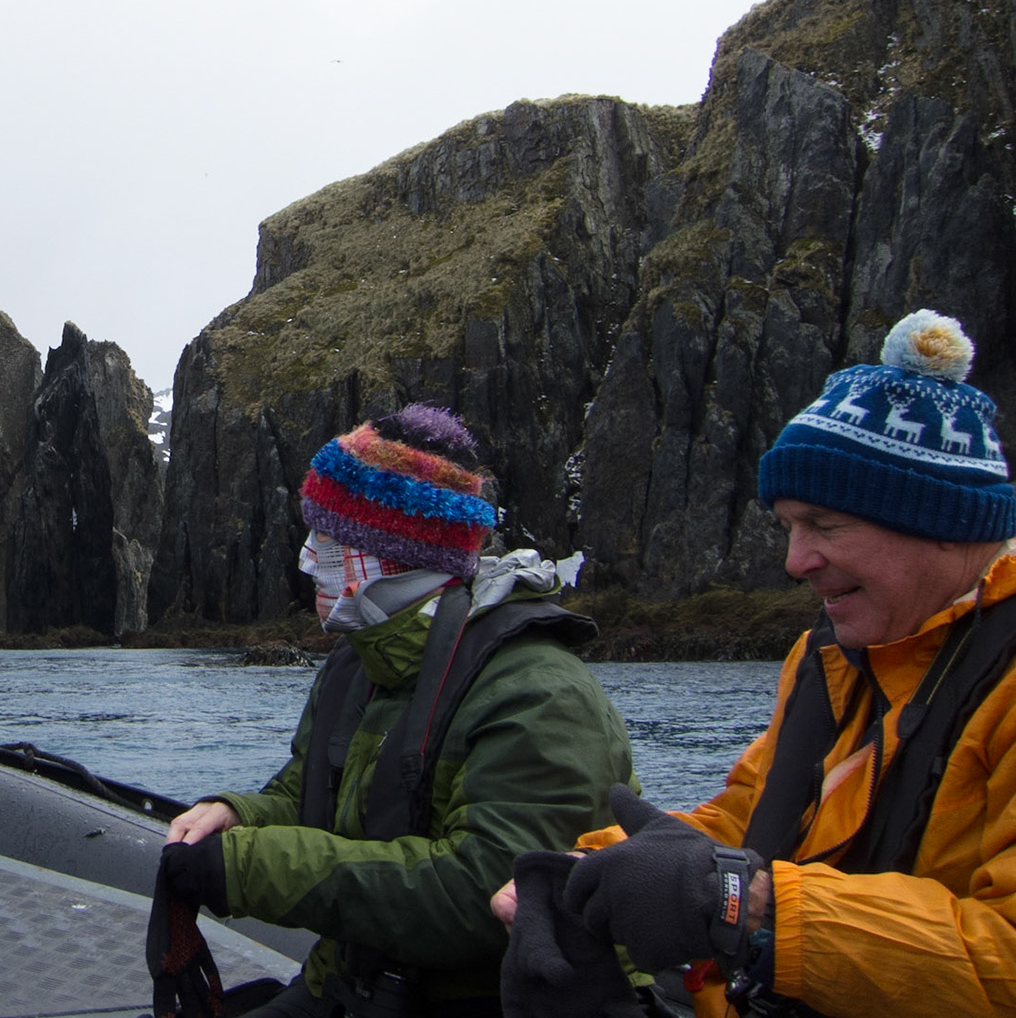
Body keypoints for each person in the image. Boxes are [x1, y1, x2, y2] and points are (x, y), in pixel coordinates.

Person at [496, 309, 1016, 1018]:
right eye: (790, 528)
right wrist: (591, 867)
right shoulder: (824, 655)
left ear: (943, 526)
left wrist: (748, 903)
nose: (795, 561)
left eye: (826, 527)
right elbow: (752, 816)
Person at [158, 406, 636, 1016]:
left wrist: (248, 868)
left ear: (394, 553)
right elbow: (309, 795)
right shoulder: (357, 663)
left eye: (330, 539)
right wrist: (236, 813)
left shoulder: (541, 691)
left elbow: (483, 892)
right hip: (350, 984)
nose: (308, 558)